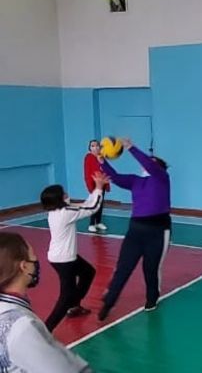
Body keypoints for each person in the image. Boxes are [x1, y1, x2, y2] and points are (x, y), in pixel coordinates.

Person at [0, 231, 113, 373]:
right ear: (23, 266)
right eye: (33, 258)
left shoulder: (14, 315)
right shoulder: (21, 326)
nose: (36, 263)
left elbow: (47, 345)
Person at [98, 139, 171, 321]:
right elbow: (115, 177)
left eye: (152, 161)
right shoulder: (135, 181)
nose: (147, 163)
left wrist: (131, 148)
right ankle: (109, 302)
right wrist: (102, 161)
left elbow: (150, 165)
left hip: (158, 231)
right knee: (123, 267)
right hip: (135, 230)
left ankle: (152, 297)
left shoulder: (162, 178)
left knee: (150, 268)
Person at [40, 173, 107, 332]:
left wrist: (96, 190)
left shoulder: (56, 211)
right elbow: (92, 208)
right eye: (63, 193)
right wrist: (99, 188)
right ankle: (46, 329)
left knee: (88, 272)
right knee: (66, 297)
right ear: (59, 199)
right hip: (64, 260)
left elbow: (85, 205)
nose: (67, 194)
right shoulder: (66, 213)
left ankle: (74, 306)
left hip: (63, 257)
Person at [84, 140, 110, 233]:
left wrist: (107, 184)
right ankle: (91, 224)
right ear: (90, 148)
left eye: (97, 145)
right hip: (94, 184)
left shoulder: (101, 157)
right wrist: (90, 187)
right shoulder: (88, 157)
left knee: (100, 204)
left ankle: (98, 222)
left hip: (102, 183)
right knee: (94, 204)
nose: (95, 147)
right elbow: (87, 173)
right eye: (93, 146)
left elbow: (106, 170)